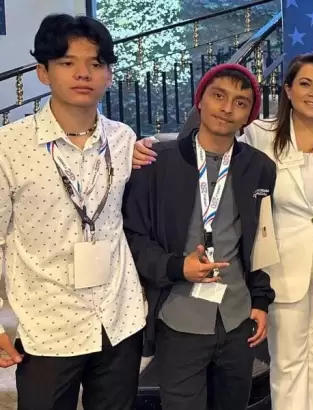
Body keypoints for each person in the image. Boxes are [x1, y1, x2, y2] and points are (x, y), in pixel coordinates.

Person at [130, 53, 313, 409]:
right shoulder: (262, 134)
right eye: (305, 84)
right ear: (288, 90)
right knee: (287, 364)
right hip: (279, 269)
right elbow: (210, 147)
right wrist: (139, 149)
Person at [0, 14, 146, 410]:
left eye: (95, 63)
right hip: (48, 324)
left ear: (108, 75)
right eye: (68, 62)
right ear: (43, 72)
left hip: (120, 317)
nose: (83, 73)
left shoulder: (122, 138)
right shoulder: (9, 146)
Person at [123, 63, 276, 408]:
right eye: (218, 95)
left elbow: (262, 240)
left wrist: (261, 300)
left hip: (237, 317)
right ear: (200, 100)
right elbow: (133, 236)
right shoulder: (156, 162)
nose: (226, 108)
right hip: (179, 318)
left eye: (240, 101)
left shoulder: (260, 168)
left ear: (249, 114)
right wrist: (177, 267)